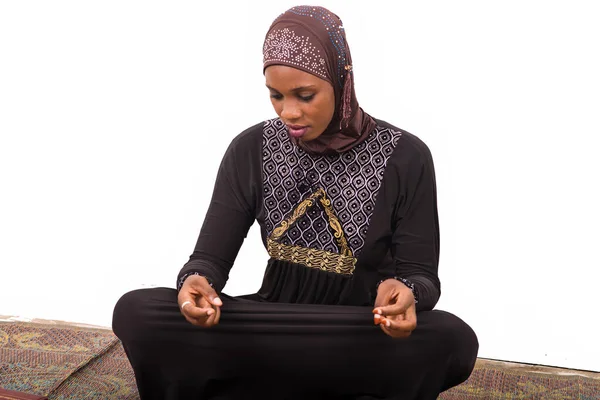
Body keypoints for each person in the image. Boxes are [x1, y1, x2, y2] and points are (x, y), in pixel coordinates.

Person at [113, 5, 478, 400]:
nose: (289, 111)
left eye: (305, 96)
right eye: (275, 95)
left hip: (357, 332)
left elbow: (422, 276)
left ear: (342, 82)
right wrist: (194, 284)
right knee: (137, 311)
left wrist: (407, 294)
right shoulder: (251, 148)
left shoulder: (405, 156)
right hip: (269, 325)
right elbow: (210, 260)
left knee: (451, 337)